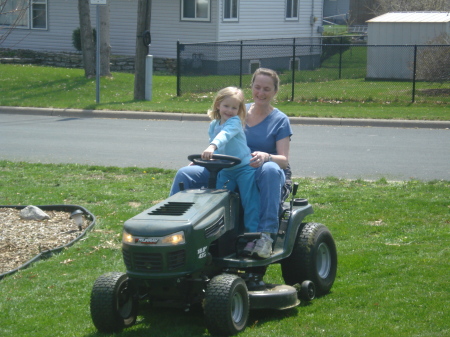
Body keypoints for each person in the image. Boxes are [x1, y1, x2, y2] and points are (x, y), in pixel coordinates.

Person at [170, 68, 292, 259]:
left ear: (275, 91)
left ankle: (265, 236)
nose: (261, 93)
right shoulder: (235, 108)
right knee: (186, 173)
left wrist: (267, 156)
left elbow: (284, 161)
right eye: (257, 87)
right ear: (251, 87)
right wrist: (204, 160)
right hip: (226, 166)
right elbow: (221, 138)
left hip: (258, 168)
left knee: (270, 170)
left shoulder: (280, 120)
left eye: (267, 89)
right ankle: (175, 228)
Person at [201, 86, 259, 233]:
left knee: (249, 201)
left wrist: (212, 147)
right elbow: (214, 141)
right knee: (218, 201)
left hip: (244, 168)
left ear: (239, 110)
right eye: (226, 106)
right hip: (226, 170)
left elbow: (224, 135)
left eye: (234, 107)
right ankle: (219, 234)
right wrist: (211, 153)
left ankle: (252, 233)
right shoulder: (214, 124)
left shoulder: (234, 122)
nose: (229, 110)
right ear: (218, 105)